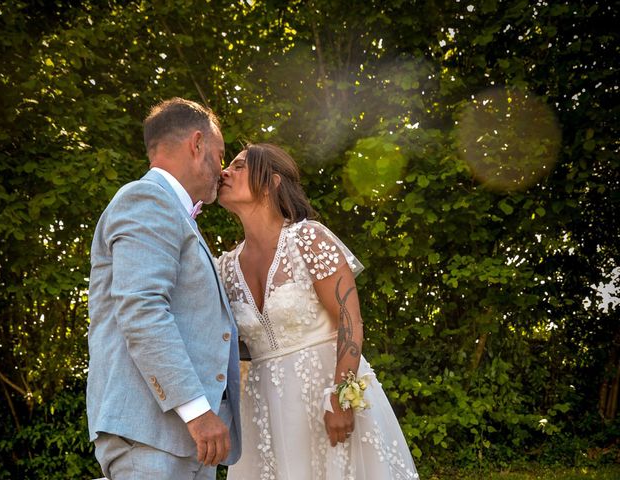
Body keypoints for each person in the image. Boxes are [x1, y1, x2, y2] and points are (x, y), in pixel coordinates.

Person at [217, 143, 419, 479]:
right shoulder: (224, 267)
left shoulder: (309, 239)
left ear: (271, 181)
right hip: (263, 409)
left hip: (326, 392)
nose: (225, 172)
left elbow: (349, 320)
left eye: (239, 166)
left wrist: (341, 397)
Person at [87, 98, 241, 480]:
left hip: (181, 442)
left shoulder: (170, 210)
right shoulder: (147, 199)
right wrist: (197, 411)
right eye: (220, 156)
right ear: (197, 144)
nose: (221, 171)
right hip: (153, 437)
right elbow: (142, 310)